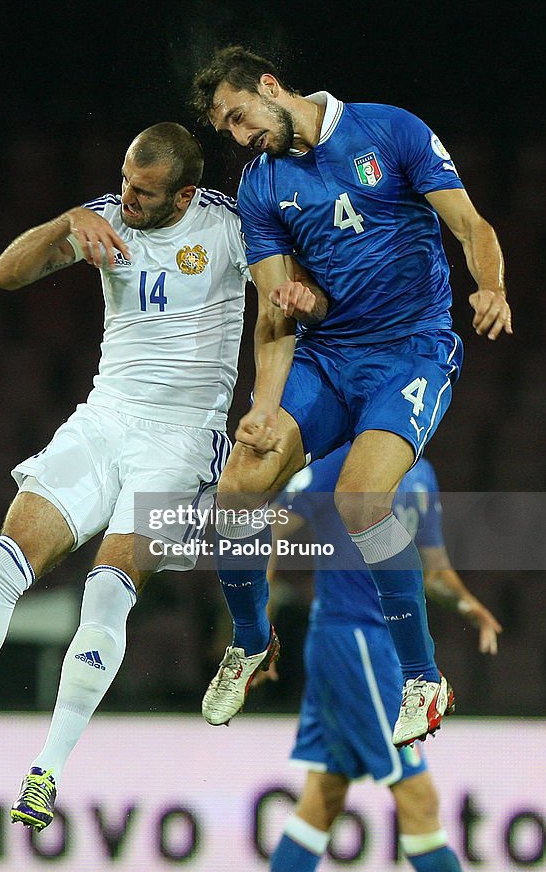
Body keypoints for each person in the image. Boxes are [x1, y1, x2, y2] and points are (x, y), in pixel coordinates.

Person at [0, 122, 327, 833]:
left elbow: (292, 301)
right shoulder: (105, 217)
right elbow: (5, 274)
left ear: (184, 193)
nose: (126, 198)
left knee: (107, 594)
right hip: (103, 421)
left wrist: (290, 343)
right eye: (124, 182)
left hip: (184, 445)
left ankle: (45, 773)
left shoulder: (231, 229)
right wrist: (67, 222)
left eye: (142, 191)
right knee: (2, 565)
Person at [189, 46, 511, 747]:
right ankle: (250, 642)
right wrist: (265, 406)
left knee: (360, 501)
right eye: (228, 132)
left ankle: (424, 680)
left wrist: (490, 286)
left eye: (241, 118)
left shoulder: (389, 131)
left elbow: (471, 228)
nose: (240, 138)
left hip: (412, 351)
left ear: (271, 86)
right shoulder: (261, 187)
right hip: (330, 357)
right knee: (237, 487)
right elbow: (276, 311)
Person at [267, 444, 502, 872]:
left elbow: (433, 571)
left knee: (323, 797)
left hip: (375, 647)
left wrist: (471, 606)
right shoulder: (337, 464)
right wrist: (257, 631)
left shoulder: (422, 473)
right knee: (419, 799)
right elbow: (270, 531)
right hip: (356, 641)